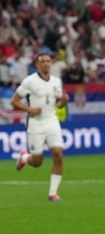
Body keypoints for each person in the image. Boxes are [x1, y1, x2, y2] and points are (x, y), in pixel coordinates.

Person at [11, 53, 70, 201]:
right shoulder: (29, 81)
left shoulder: (56, 81)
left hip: (51, 121)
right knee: (37, 162)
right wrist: (30, 110)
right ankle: (25, 157)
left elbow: (58, 104)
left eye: (48, 61)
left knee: (58, 153)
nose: (45, 64)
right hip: (35, 123)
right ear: (37, 65)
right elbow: (14, 101)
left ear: (51, 63)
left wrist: (64, 101)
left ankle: (53, 193)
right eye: (42, 61)